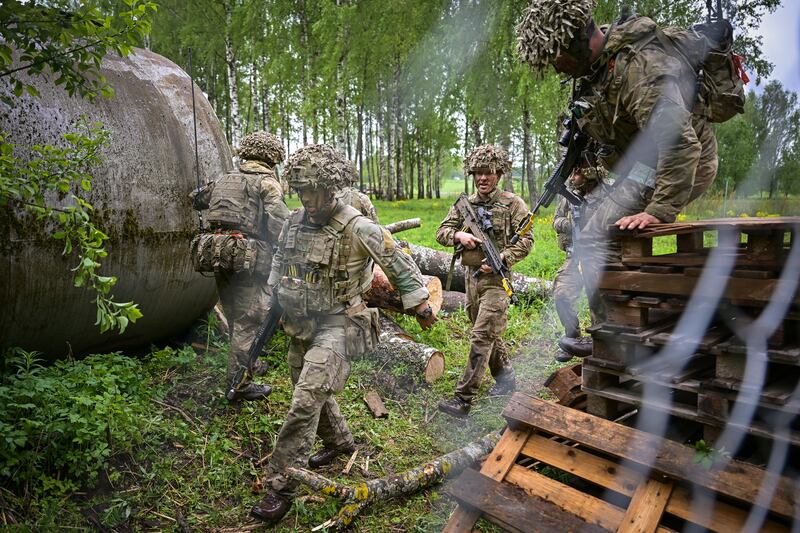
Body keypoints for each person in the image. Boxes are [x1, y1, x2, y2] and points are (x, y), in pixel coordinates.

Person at [250, 144, 436, 524]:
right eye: (301, 193)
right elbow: (281, 263)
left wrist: (420, 306)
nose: (308, 200)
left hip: (339, 323)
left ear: (331, 189)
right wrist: (273, 295)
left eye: (314, 193)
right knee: (309, 387)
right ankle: (340, 442)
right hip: (299, 322)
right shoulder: (294, 221)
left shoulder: (358, 226)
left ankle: (280, 486)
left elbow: (398, 263)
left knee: (304, 400)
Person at [516, 0, 718, 344]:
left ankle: (625, 333)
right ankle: (610, 333)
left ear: (577, 42)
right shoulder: (597, 68)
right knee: (594, 234)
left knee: (603, 235)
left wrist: (658, 210)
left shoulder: (640, 68)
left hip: (683, 163)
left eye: (557, 58)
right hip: (645, 165)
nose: (555, 68)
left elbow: (682, 146)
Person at [435, 144, 533, 418]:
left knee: (481, 336)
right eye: (477, 173)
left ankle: (463, 399)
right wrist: (459, 237)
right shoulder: (465, 205)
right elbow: (441, 231)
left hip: (496, 282)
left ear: (499, 174)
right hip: (471, 280)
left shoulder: (513, 204)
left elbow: (527, 241)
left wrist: (501, 258)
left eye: (488, 173)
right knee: (488, 332)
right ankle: (506, 379)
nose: (482, 178)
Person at [192, 131, 289, 401]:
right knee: (250, 320)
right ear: (272, 157)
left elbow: (197, 199)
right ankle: (238, 384)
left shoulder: (224, 179)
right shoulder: (267, 183)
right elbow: (279, 223)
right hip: (250, 260)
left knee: (236, 314)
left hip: (219, 256)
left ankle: (248, 364)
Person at [552, 169, 601, 362]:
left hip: (599, 257)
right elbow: (556, 220)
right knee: (561, 294)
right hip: (574, 257)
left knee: (598, 302)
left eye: (576, 174)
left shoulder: (603, 194)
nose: (571, 178)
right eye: (570, 174)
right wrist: (571, 224)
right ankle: (573, 338)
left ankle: (600, 345)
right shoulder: (568, 196)